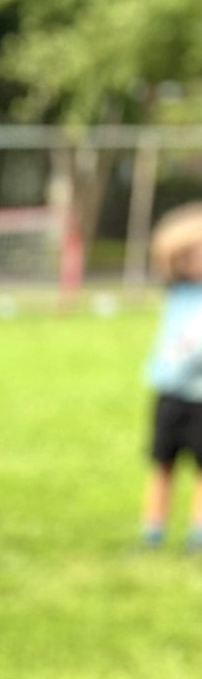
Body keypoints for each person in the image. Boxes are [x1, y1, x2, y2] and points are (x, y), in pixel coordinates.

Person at [138, 203, 202, 549]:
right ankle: (153, 529)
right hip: (170, 393)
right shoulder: (177, 292)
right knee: (162, 463)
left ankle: (198, 531)